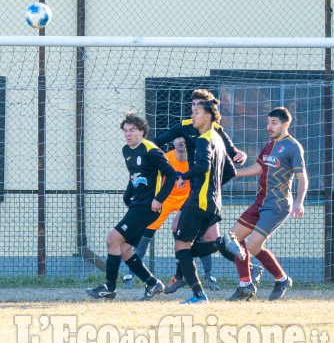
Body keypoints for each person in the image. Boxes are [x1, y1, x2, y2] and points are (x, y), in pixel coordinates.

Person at [155, 89, 263, 294]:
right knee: (187, 239)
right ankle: (187, 275)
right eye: (192, 107)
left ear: (208, 112)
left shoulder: (212, 133)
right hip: (205, 195)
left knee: (193, 240)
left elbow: (226, 160)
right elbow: (159, 140)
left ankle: (191, 277)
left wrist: (204, 180)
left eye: (198, 107)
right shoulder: (187, 126)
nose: (193, 111)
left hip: (201, 196)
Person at [86, 112, 176, 301]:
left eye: (132, 130)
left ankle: (109, 288)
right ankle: (153, 283)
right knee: (125, 249)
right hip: (138, 204)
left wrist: (159, 199)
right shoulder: (126, 150)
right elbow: (134, 176)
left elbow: (172, 175)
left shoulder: (151, 150)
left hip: (148, 207)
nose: (128, 134)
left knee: (112, 240)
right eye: (125, 131)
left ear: (142, 131)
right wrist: (128, 197)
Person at [227, 107, 307, 301]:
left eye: (274, 123)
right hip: (260, 202)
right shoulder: (269, 144)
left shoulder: (293, 147)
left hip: (277, 205)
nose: (269, 126)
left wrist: (299, 202)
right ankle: (245, 284)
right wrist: (234, 173)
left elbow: (302, 177)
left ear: (285, 124)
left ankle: (282, 279)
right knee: (234, 240)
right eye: (268, 122)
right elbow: (259, 167)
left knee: (254, 246)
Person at [123, 137, 220, 290]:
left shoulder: (196, 158)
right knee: (145, 232)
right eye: (177, 137)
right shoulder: (166, 157)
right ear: (173, 141)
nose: (181, 140)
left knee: (195, 236)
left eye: (184, 137)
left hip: (187, 199)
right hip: (166, 199)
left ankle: (208, 276)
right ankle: (130, 274)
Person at [174, 100, 243, 304]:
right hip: (213, 203)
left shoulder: (204, 139)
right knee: (190, 249)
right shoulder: (219, 140)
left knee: (181, 247)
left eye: (196, 112)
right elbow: (231, 171)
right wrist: (213, 186)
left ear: (208, 117)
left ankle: (199, 295)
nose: (192, 116)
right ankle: (221, 243)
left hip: (199, 201)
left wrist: (184, 177)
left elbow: (203, 166)